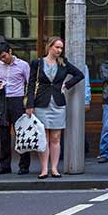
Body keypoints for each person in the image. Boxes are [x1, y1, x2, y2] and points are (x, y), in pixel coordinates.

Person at [26, 37, 84, 179]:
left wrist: (66, 85)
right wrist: (30, 104)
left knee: (56, 137)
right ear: (49, 47)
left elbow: (79, 75)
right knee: (43, 137)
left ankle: (54, 168)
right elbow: (31, 83)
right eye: (57, 47)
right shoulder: (37, 63)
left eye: (61, 48)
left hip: (58, 103)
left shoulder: (63, 63)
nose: (59, 50)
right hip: (41, 103)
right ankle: (44, 169)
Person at [0, 41, 31, 176]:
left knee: (21, 134)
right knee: (3, 135)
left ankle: (24, 165)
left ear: (10, 51)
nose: (2, 60)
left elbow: (30, 84)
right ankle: (4, 165)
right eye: (0, 58)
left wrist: (29, 104)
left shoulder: (23, 65)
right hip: (2, 100)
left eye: (4, 56)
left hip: (17, 100)